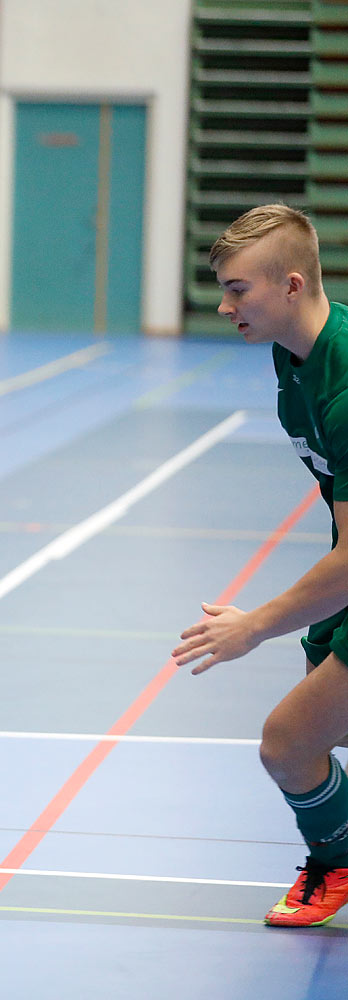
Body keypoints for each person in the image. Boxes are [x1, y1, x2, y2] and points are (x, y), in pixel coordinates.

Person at [173, 203, 348, 927]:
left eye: (238, 289)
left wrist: (258, 627)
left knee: (289, 740)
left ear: (292, 285)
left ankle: (336, 867)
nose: (224, 305)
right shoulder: (293, 358)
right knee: (320, 725)